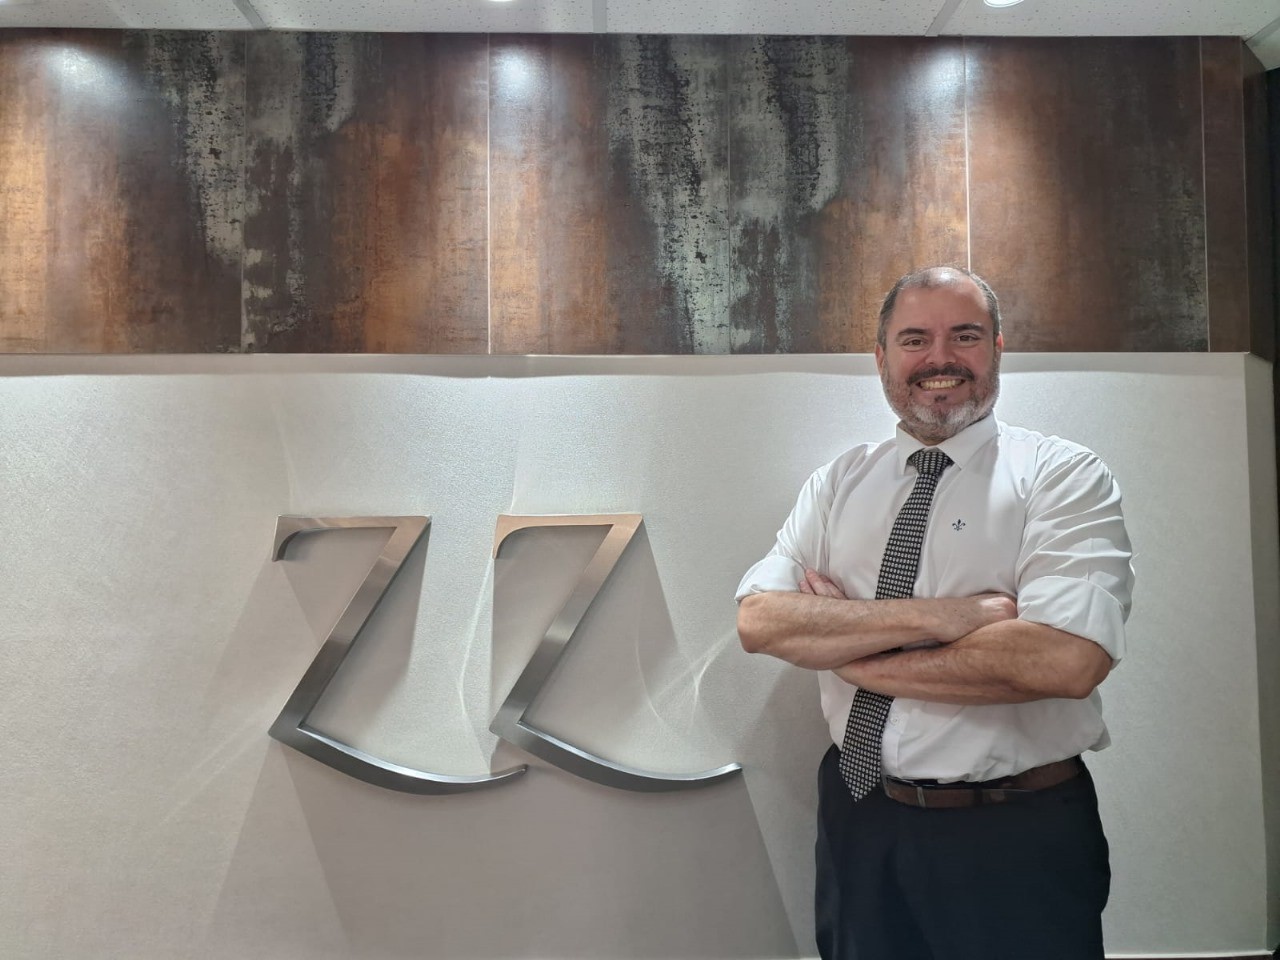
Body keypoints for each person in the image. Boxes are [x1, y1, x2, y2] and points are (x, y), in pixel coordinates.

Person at [736, 266, 1134, 960]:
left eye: (965, 336)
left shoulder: (1062, 476)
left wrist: (849, 652)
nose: (939, 359)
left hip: (1012, 832)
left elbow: (1065, 660)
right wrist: (948, 617)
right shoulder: (839, 481)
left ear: (998, 349)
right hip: (858, 816)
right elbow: (762, 622)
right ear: (881, 357)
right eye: (915, 339)